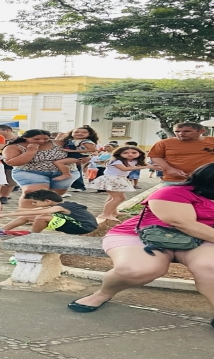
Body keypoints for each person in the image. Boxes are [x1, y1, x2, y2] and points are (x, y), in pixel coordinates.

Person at [67, 163, 214, 321]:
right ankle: (103, 293)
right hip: (144, 235)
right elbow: (184, 224)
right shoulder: (173, 192)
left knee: (209, 267)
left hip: (203, 239)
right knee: (136, 269)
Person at [2, 129, 80, 208]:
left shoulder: (59, 143)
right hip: (30, 172)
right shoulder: (14, 147)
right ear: (25, 138)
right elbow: (12, 162)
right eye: (36, 139)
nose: (42, 141)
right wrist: (30, 152)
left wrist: (83, 158)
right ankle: (26, 214)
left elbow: (80, 151)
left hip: (63, 172)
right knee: (33, 192)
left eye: (46, 139)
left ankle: (47, 215)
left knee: (53, 196)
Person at [0, 189, 97, 235]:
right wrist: (23, 210)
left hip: (84, 228)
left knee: (42, 218)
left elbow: (40, 211)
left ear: (47, 201)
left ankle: (33, 236)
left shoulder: (59, 208)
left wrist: (4, 215)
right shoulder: (61, 205)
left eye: (35, 202)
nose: (33, 204)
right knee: (31, 215)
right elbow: (30, 212)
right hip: (79, 225)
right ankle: (1, 230)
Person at [88, 146, 152, 221]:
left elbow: (145, 165)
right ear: (119, 154)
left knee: (112, 197)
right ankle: (105, 214)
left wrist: (155, 166)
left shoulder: (133, 161)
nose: (130, 154)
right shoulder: (116, 161)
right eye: (125, 153)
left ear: (140, 154)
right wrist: (142, 167)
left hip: (119, 179)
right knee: (119, 198)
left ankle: (114, 212)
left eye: (134, 153)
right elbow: (124, 169)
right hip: (111, 179)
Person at [148, 122, 214, 185]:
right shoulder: (164, 143)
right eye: (177, 131)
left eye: (187, 131)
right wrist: (169, 169)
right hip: (175, 180)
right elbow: (155, 156)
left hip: (208, 180)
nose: (181, 134)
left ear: (201, 131)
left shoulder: (211, 141)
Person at [0, 125, 20, 204]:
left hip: (12, 161)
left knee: (9, 179)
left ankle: (4, 196)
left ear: (7, 130)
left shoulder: (19, 140)